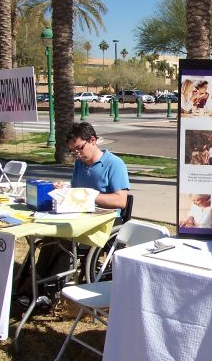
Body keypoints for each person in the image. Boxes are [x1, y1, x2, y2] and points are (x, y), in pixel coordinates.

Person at [27, 122, 130, 305]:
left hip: (105, 220)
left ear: (92, 140)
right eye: (73, 151)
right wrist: (64, 188)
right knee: (51, 233)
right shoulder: (80, 164)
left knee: (61, 239)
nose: (77, 154)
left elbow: (121, 201)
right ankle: (38, 284)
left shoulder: (114, 164)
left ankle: (50, 288)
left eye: (79, 149)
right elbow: (76, 190)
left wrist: (91, 196)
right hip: (81, 215)